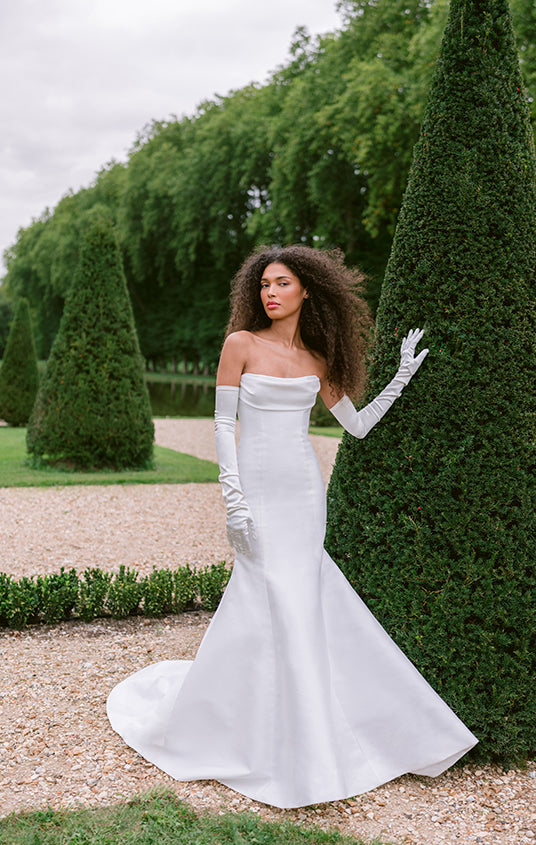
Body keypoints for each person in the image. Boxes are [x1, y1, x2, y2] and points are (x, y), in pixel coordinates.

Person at [107, 245, 477, 809]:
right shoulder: (240, 345)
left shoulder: (319, 359)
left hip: (304, 492)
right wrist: (233, 500)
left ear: (307, 290)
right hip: (254, 488)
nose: (270, 293)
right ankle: (247, 726)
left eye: (282, 283)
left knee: (302, 597)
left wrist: (400, 376)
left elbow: (354, 427)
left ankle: (313, 732)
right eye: (263, 285)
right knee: (265, 595)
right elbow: (222, 424)